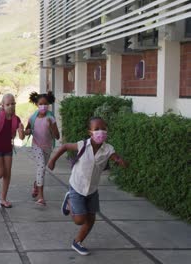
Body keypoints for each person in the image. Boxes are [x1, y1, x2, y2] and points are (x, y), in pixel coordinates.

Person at [47, 117, 128, 256]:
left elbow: (115, 157)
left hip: (92, 190)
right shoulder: (83, 145)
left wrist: (121, 161)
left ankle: (77, 242)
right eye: (96, 129)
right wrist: (52, 160)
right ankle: (70, 201)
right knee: (79, 220)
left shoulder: (108, 149)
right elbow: (65, 146)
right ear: (90, 132)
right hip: (77, 187)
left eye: (103, 129)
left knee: (91, 219)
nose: (100, 132)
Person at [0, 93, 24, 208]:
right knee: (0, 173)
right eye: (8, 104)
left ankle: (3, 199)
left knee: (7, 174)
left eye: (13, 103)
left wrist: (21, 130)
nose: (10, 106)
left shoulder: (16, 119)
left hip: (8, 149)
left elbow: (21, 137)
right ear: (2, 105)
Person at [25, 92, 60, 206]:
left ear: (49, 104)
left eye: (45, 104)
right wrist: (24, 131)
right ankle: (41, 196)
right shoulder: (32, 118)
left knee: (42, 169)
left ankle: (36, 184)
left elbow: (57, 136)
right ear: (36, 104)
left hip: (48, 147)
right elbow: (26, 131)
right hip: (36, 146)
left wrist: (51, 127)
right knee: (41, 166)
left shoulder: (51, 118)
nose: (43, 106)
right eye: (41, 104)